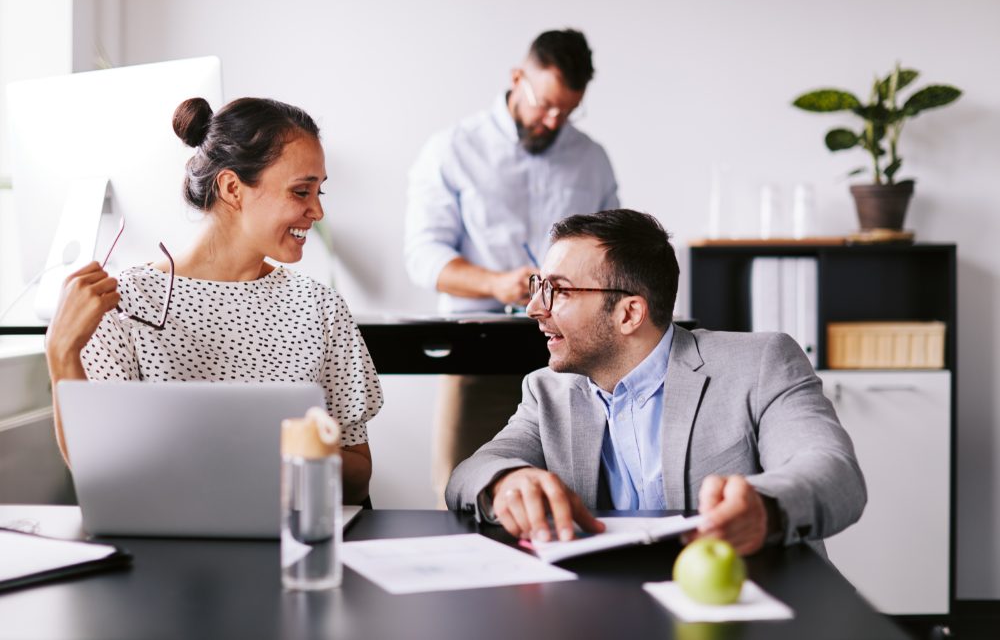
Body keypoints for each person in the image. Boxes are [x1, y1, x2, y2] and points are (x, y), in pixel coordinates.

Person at [446, 209, 866, 555]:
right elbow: (470, 472)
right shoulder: (547, 391)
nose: (535, 307)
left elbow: (833, 473)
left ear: (629, 313)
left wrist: (766, 509)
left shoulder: (761, 363)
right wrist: (506, 482)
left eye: (560, 291)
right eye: (539, 286)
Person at [44, 97, 383, 504]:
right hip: (165, 544)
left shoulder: (319, 308)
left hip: (293, 544)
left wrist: (293, 450)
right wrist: (61, 351)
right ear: (232, 188)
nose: (317, 210)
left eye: (319, 191)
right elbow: (97, 473)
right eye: (300, 191)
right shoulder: (125, 302)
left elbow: (359, 480)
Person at [404, 29, 619, 504]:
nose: (552, 119)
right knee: (463, 492)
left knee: (576, 495)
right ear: (517, 77)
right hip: (476, 352)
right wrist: (497, 283)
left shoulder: (592, 160)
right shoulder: (452, 149)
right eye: (544, 104)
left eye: (566, 110)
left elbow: (613, 252)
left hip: (574, 360)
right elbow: (423, 255)